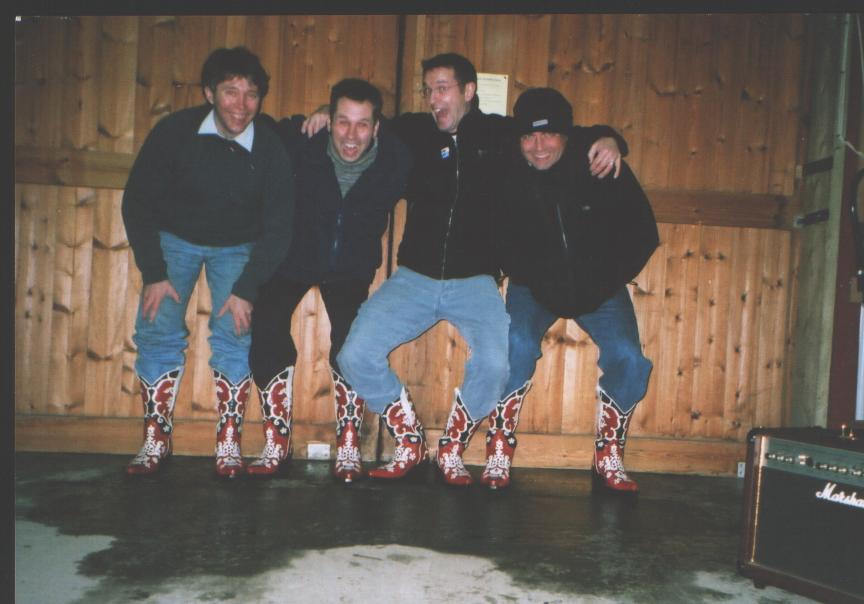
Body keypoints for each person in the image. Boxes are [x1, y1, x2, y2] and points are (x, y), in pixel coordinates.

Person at [320, 54, 625, 486]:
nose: (433, 99)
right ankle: (409, 440)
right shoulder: (413, 132)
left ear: (468, 91)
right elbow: (364, 122)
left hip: (476, 279)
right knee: (353, 354)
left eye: (442, 88)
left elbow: (563, 133)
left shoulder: (500, 135)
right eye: (428, 89)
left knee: (498, 364)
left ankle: (452, 445)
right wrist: (322, 112)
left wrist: (610, 138)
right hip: (414, 277)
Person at [121, 47, 295, 478]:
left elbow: (280, 227)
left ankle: (228, 439)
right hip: (174, 240)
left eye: (251, 94)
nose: (241, 105)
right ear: (209, 93)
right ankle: (156, 437)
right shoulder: (174, 131)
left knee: (236, 334)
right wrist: (154, 272)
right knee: (157, 328)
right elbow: (137, 201)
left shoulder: (270, 147)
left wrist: (247, 288)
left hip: (238, 246)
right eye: (230, 92)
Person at [482, 87, 659, 493]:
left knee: (630, 360)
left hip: (599, 289)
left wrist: (607, 276)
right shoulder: (506, 171)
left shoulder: (598, 162)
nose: (538, 146)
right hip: (534, 287)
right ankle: (499, 443)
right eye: (528, 136)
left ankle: (608, 450)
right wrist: (519, 272)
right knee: (514, 347)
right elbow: (493, 233)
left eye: (548, 135)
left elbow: (642, 230)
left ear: (566, 136)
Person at [246, 79, 410, 482]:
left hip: (350, 269)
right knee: (265, 324)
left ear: (377, 127)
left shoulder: (395, 157)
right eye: (342, 122)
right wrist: (314, 114)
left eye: (362, 124)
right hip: (293, 259)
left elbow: (428, 134)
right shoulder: (303, 140)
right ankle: (277, 439)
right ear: (330, 120)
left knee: (350, 343)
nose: (351, 135)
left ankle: (349, 440)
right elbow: (255, 125)